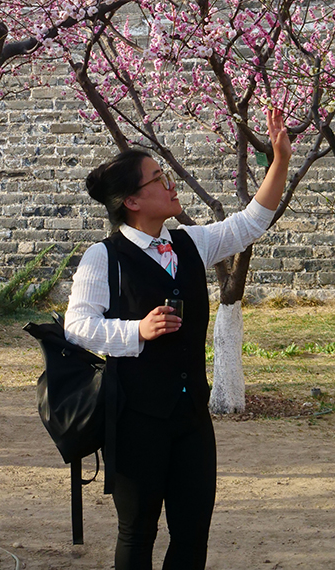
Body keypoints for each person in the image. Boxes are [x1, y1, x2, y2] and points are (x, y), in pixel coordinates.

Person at [65, 108, 291, 570]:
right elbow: (78, 325)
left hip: (191, 420)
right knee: (138, 533)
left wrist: (280, 161)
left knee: (192, 534)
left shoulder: (189, 242)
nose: (171, 184)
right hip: (135, 419)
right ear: (132, 200)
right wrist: (136, 330)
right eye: (158, 178)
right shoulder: (103, 257)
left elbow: (249, 223)